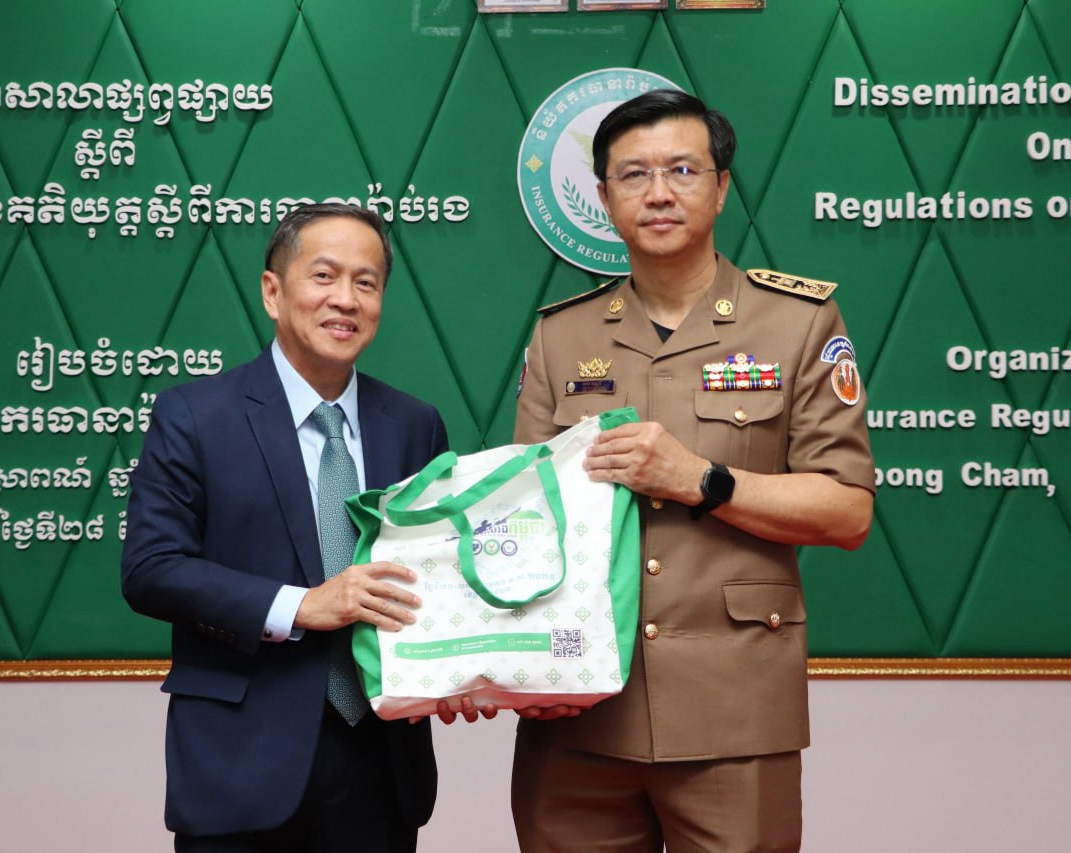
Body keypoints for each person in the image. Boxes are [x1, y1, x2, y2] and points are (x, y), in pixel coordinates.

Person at [511, 90, 876, 852]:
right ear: (603, 198)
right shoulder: (560, 336)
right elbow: (527, 525)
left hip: (735, 714)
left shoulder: (799, 322)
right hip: (578, 717)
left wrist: (702, 479)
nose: (659, 192)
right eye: (634, 174)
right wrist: (513, 666)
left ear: (721, 187)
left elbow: (847, 511)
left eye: (682, 169)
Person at [121, 203, 481, 853]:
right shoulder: (194, 415)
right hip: (241, 762)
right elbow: (151, 569)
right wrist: (302, 605)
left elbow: (440, 572)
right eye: (324, 275)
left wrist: (457, 669)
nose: (346, 299)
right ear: (273, 291)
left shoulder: (414, 424)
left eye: (366, 282)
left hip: (381, 765)